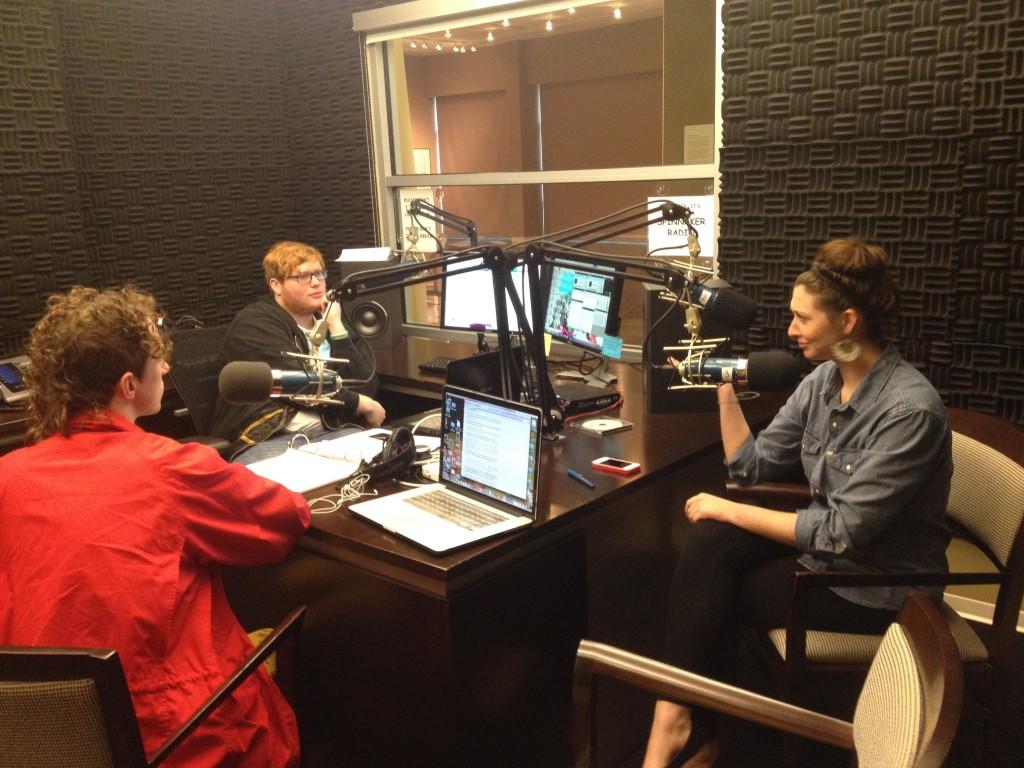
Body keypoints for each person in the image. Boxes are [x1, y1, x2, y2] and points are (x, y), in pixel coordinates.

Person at [644, 238, 952, 767]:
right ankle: (686, 727)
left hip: (879, 585)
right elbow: (750, 466)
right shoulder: (822, 381)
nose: (790, 331)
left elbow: (840, 532)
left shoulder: (909, 411)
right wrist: (721, 380)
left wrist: (730, 509)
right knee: (711, 549)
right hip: (829, 561)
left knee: (715, 589)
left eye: (801, 319)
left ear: (848, 321)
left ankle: (691, 732)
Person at [0, 285, 312, 767]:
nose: (166, 368)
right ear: (129, 385)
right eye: (158, 360)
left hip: (42, 740)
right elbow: (283, 519)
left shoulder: (8, 475)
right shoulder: (170, 468)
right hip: (180, 736)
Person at [210, 240, 386, 462]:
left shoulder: (330, 321)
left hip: (332, 431)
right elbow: (297, 384)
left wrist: (337, 328)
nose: (316, 283)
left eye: (320, 274)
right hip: (269, 436)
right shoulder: (255, 323)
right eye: (303, 276)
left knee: (383, 464)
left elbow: (366, 384)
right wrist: (360, 404)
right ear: (276, 285)